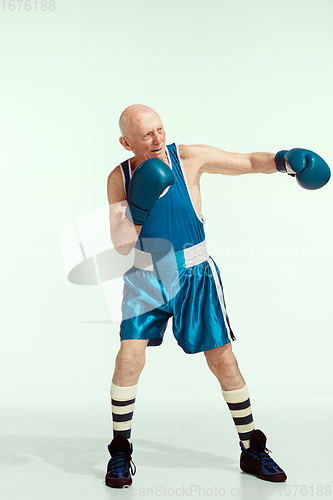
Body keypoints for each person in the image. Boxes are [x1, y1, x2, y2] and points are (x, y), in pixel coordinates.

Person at [104, 104, 330, 489]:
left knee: (223, 361)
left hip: (196, 275)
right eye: (147, 135)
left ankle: (251, 447)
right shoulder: (119, 177)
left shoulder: (188, 157)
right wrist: (138, 209)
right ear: (127, 142)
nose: (158, 139)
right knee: (129, 358)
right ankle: (121, 451)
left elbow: (245, 161)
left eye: (160, 129)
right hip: (146, 276)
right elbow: (121, 244)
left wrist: (284, 162)